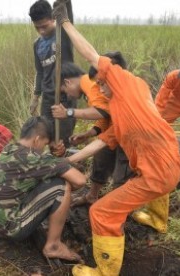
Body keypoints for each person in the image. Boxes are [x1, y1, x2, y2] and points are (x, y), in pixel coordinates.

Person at [52, 1, 180, 275]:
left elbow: (90, 54)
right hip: (172, 165)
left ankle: (105, 271)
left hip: (156, 174)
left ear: (113, 73)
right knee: (148, 182)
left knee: (101, 212)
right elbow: (103, 140)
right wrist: (67, 160)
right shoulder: (129, 104)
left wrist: (64, 22)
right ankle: (158, 220)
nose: (99, 86)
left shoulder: (125, 82)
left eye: (101, 81)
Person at [0, 116, 86, 262]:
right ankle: (53, 246)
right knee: (61, 186)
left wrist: (54, 160)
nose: (43, 149)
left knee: (50, 180)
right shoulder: (35, 159)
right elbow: (80, 180)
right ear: (37, 140)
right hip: (9, 228)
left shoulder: (10, 148)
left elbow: (37, 170)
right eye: (44, 145)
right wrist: (60, 162)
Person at [51, 61, 134, 206]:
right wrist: (89, 133)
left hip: (128, 131)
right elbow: (107, 115)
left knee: (122, 174)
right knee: (100, 159)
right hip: (113, 129)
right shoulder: (90, 88)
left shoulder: (90, 84)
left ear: (67, 82)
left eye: (64, 91)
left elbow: (101, 111)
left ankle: (118, 210)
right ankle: (92, 196)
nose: (68, 96)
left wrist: (69, 112)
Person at [28, 0, 77, 147]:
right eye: (37, 28)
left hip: (66, 97)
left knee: (62, 140)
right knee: (47, 137)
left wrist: (65, 3)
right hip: (48, 98)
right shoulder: (37, 45)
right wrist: (36, 97)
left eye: (44, 26)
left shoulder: (64, 34)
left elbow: (68, 15)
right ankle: (52, 166)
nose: (41, 31)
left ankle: (64, 165)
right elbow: (40, 72)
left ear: (53, 18)